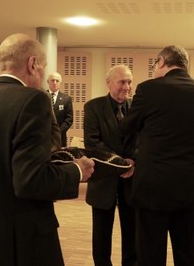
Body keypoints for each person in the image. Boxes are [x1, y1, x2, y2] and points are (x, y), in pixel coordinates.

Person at [0, 33, 95, 266]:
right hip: (21, 238)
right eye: (43, 68)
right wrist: (76, 170)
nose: (43, 78)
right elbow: (31, 180)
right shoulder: (32, 100)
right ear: (32, 64)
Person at [119, 45, 194, 266]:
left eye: (154, 65)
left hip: (154, 186)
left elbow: (126, 128)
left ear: (161, 62)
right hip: (189, 185)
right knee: (186, 254)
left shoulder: (148, 89)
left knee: (150, 254)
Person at [84, 64, 137, 266]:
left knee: (132, 235)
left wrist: (133, 162)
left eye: (130, 81)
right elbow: (93, 144)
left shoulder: (137, 109)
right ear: (108, 83)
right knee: (101, 237)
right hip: (104, 180)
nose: (127, 86)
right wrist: (122, 164)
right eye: (122, 81)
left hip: (131, 182)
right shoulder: (93, 108)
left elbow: (142, 141)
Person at [47, 72, 73, 147]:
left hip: (60, 137)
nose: (55, 83)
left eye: (57, 81)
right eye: (52, 80)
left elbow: (69, 119)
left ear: (60, 82)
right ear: (48, 81)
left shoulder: (66, 99)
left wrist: (57, 131)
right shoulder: (42, 96)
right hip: (43, 137)